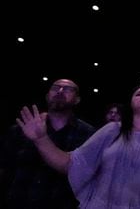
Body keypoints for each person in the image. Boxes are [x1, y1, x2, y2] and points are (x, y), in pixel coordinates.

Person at [16, 84, 140, 209]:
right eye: (138, 93)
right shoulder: (110, 130)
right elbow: (70, 163)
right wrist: (41, 139)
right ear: (130, 102)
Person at [0, 79, 95, 209]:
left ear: (77, 99)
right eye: (55, 88)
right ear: (47, 96)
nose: (60, 91)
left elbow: (83, 174)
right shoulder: (21, 129)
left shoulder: (88, 134)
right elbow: (5, 168)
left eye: (68, 89)